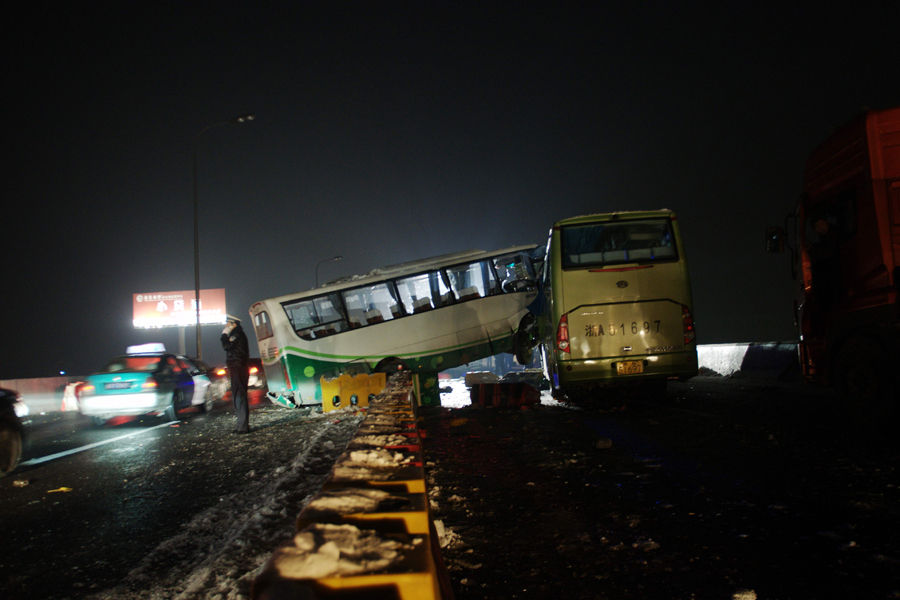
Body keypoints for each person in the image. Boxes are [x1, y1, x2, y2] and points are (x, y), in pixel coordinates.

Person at [220, 314, 251, 433]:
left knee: (240, 396)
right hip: (237, 368)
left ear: (234, 324)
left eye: (228, 323)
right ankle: (241, 426)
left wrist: (223, 335)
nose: (226, 326)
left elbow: (226, 346)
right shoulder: (237, 334)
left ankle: (243, 427)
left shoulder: (237, 335)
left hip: (238, 368)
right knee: (238, 397)